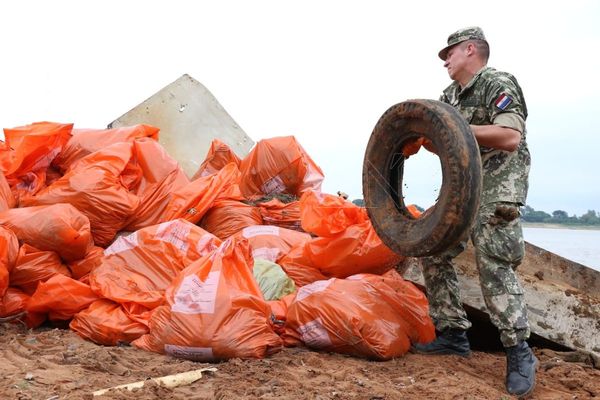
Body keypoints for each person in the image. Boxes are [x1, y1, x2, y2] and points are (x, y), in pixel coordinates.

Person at [411, 26, 538, 397]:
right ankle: (452, 334)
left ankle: (519, 351)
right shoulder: (449, 96)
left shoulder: (496, 82)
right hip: (463, 187)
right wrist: (420, 138)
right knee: (433, 246)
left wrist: (456, 126)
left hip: (498, 185)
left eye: (449, 53)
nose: (445, 61)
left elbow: (510, 136)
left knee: (492, 261)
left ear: (470, 50)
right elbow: (443, 139)